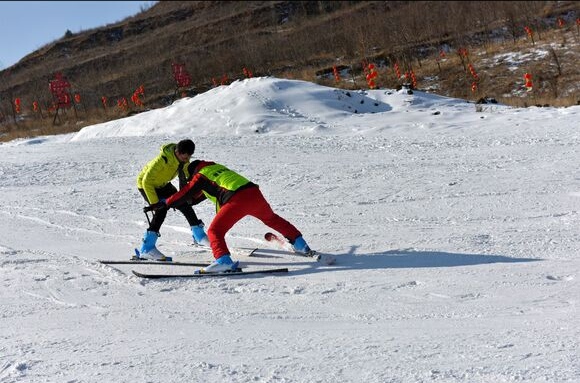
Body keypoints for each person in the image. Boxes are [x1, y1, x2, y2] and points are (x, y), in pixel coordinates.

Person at [145, 160, 313, 273]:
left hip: (237, 199)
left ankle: (223, 261)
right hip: (254, 193)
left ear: (193, 171)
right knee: (272, 219)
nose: (190, 179)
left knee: (214, 231)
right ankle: (301, 244)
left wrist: (164, 203)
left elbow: (187, 192)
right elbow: (197, 197)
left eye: (190, 177)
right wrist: (176, 202)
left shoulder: (200, 175)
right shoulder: (217, 169)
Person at [136, 139, 209, 260]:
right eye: (185, 158)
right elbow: (146, 181)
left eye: (188, 158)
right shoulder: (162, 160)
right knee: (161, 210)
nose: (187, 160)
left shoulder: (182, 158)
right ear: (178, 152)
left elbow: (187, 172)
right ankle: (147, 248)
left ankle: (199, 236)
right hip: (147, 186)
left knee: (183, 202)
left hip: (163, 184)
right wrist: (155, 203)